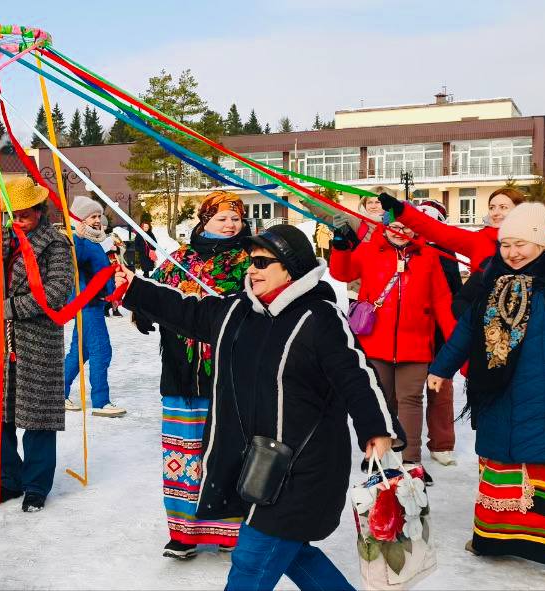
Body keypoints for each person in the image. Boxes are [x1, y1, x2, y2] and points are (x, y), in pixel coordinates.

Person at [117, 224, 399, 591]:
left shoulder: (319, 317)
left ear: (291, 268)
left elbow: (355, 375)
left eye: (263, 262)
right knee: (292, 552)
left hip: (303, 467)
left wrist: (376, 427)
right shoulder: (238, 311)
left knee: (252, 561)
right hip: (257, 465)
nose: (253, 270)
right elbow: (187, 312)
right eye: (252, 261)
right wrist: (133, 288)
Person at [427, 203, 545, 591]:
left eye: (521, 244)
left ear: (542, 242)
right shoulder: (492, 277)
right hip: (502, 392)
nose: (512, 253)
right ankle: (494, 539)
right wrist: (441, 367)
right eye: (506, 244)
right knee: (504, 471)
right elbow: (468, 329)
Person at [133, 190, 252, 559]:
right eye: (222, 218)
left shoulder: (251, 259)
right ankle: (184, 533)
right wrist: (142, 310)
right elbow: (154, 290)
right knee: (182, 454)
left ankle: (230, 532)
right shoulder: (180, 259)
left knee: (228, 452)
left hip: (231, 372)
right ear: (205, 220)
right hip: (181, 373)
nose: (230, 225)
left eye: (235, 218)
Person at [0, 177, 75, 513]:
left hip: (37, 340)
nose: (18, 220)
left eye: (25, 214)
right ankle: (8, 480)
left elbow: (57, 291)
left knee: (38, 417)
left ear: (39, 211)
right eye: (13, 214)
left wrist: (10, 308)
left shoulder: (56, 244)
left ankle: (36, 486)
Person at [330, 213, 456, 483]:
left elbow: (442, 300)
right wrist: (340, 246)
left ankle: (411, 461)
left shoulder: (428, 255)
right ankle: (378, 457)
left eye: (406, 228)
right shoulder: (369, 250)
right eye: (394, 227)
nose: (399, 232)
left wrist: (455, 343)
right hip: (375, 342)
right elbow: (342, 273)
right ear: (384, 228)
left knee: (411, 400)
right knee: (379, 401)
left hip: (416, 344)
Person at [62, 196, 123, 418]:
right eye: (92, 216)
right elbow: (73, 262)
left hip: (95, 303)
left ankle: (57, 393)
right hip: (86, 303)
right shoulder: (78, 240)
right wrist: (77, 237)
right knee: (101, 350)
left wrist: (112, 294)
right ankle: (101, 401)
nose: (97, 220)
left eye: (99, 216)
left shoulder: (96, 241)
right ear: (81, 220)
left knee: (81, 351)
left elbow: (103, 271)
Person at [415, 200, 464, 467]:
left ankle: (442, 443)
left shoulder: (446, 252)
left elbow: (455, 294)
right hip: (412, 333)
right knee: (407, 393)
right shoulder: (409, 249)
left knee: (441, 390)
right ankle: (402, 441)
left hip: (440, 334)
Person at [380, 187, 527, 271]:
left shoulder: (535, 243)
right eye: (492, 207)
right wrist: (400, 210)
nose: (495, 213)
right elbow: (436, 230)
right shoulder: (479, 240)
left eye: (503, 207)